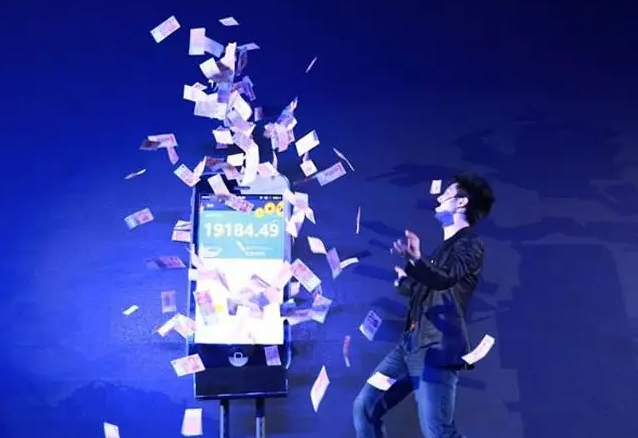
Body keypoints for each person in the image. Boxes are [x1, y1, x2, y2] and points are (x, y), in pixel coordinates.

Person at [352, 173, 495, 438]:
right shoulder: (442, 250)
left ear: (461, 202)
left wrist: (417, 261)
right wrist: (406, 279)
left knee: (437, 431)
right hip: (409, 346)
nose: (439, 198)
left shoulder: (471, 244)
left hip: (435, 350)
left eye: (447, 194)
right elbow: (428, 289)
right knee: (365, 406)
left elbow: (444, 279)